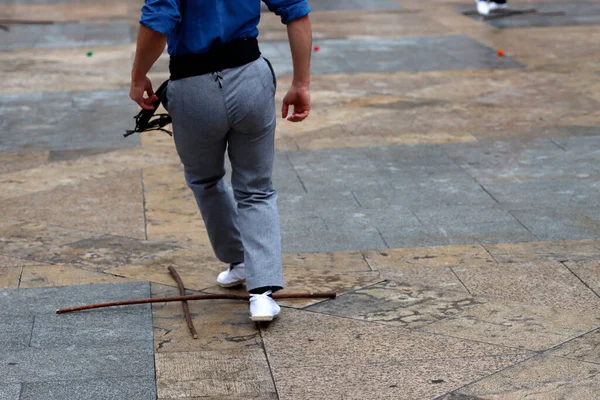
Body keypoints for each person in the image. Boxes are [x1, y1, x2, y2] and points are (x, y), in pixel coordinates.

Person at [129, 0, 312, 321]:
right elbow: (296, 11)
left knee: (205, 179)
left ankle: (237, 259)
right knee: (256, 189)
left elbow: (158, 22)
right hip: (250, 77)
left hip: (192, 86)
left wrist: (138, 76)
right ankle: (262, 293)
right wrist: (301, 83)